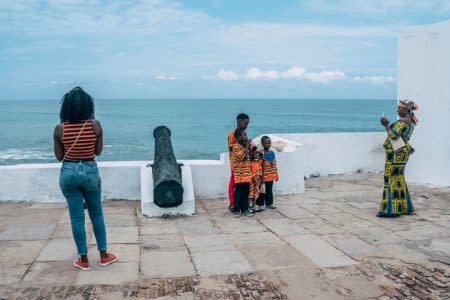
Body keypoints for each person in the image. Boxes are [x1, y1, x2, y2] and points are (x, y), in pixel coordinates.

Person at [53, 87, 118, 270]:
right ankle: (104, 255)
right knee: (96, 214)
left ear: (66, 107)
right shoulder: (95, 125)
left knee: (77, 218)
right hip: (90, 171)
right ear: (88, 106)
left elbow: (59, 156)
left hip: (68, 172)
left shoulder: (60, 129)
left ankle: (83, 259)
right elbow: (98, 151)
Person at [377, 100, 419, 217]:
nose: (397, 110)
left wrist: (386, 125)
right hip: (403, 152)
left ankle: (391, 209)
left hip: (395, 153)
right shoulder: (410, 122)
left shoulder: (401, 123)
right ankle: (405, 207)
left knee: (390, 177)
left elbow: (393, 135)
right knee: (399, 177)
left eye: (399, 108)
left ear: (406, 110)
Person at [227, 113, 250, 211]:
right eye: (245, 123)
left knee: (242, 187)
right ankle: (233, 204)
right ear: (238, 121)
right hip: (236, 165)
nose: (246, 126)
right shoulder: (232, 135)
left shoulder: (242, 133)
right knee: (234, 185)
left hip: (244, 166)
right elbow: (233, 149)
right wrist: (245, 146)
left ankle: (241, 204)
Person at [231, 128, 253, 216]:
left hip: (246, 173)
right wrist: (247, 146)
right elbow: (242, 157)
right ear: (239, 137)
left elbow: (250, 157)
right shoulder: (236, 147)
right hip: (239, 174)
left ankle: (244, 209)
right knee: (239, 193)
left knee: (245, 193)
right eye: (245, 135)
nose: (246, 137)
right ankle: (236, 210)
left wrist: (249, 147)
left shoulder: (244, 146)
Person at [257, 136, 279, 210]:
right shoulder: (261, 153)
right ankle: (260, 205)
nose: (268, 144)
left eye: (269, 143)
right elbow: (259, 166)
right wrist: (260, 176)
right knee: (262, 191)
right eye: (266, 143)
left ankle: (269, 203)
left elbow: (274, 165)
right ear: (262, 144)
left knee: (269, 190)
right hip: (263, 176)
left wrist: (276, 176)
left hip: (271, 176)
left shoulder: (272, 153)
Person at [249, 146, 264, 213]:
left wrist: (260, 179)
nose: (257, 154)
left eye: (258, 153)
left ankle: (253, 207)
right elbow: (250, 173)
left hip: (257, 181)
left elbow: (260, 172)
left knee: (256, 195)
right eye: (255, 153)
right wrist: (254, 180)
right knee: (250, 195)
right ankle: (248, 207)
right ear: (252, 154)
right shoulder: (250, 163)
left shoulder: (258, 162)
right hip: (251, 182)